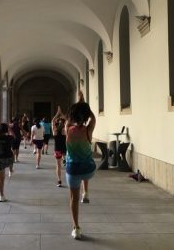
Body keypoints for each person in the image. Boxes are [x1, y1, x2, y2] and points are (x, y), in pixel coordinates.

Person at [65, 91, 96, 239]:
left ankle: (76, 228)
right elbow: (93, 117)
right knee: (85, 165)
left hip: (73, 171)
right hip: (89, 169)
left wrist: (78, 105)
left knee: (73, 199)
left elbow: (68, 120)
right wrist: (83, 104)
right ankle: (87, 192)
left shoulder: (68, 130)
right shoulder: (88, 130)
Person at [0, 123, 15, 202]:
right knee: (12, 155)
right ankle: (11, 170)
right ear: (6, 130)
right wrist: (10, 128)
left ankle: (1, 196)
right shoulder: (9, 137)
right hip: (8, 159)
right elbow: (14, 136)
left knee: (1, 179)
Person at [52, 106, 67, 187]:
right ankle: (64, 158)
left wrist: (57, 113)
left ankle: (59, 180)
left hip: (57, 149)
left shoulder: (55, 131)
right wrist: (61, 114)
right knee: (65, 158)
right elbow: (68, 121)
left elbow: (52, 121)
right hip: (64, 148)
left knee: (58, 166)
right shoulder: (64, 130)